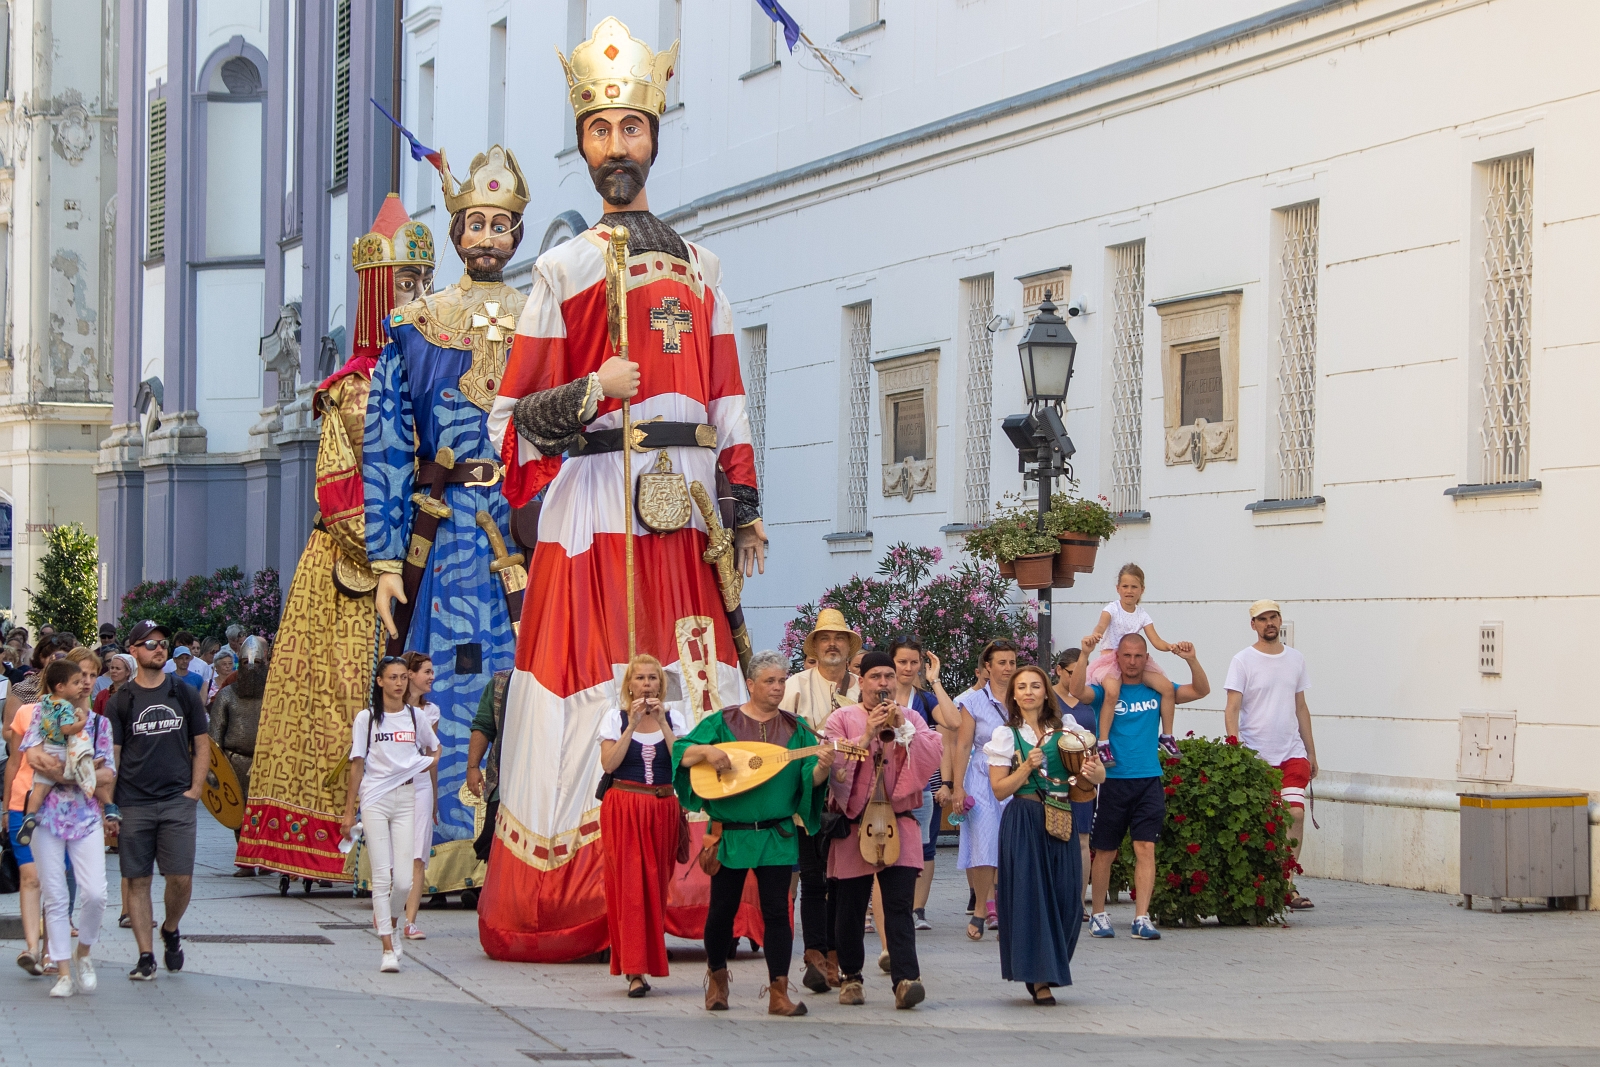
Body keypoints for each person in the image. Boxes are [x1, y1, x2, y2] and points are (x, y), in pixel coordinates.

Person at [481, 16, 768, 962]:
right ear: (582, 139)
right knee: (587, 686)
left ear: (654, 135)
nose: (617, 147)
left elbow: (728, 396)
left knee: (695, 678)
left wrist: (745, 499)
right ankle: (588, 890)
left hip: (681, 509)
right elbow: (510, 415)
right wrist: (588, 392)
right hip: (599, 501)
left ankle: (695, 889)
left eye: (632, 129)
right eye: (601, 131)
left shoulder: (704, 267)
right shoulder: (560, 270)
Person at [238, 198, 435, 880]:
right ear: (381, 292)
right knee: (342, 708)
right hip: (359, 567)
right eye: (406, 283)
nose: (421, 295)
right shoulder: (353, 388)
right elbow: (338, 487)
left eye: (424, 281)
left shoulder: (439, 375)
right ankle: (330, 842)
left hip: (438, 553)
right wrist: (398, 546)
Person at [365, 154, 528, 907]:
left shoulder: (545, 318)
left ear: (517, 232)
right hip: (451, 530)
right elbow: (390, 445)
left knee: (535, 675)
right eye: (476, 223)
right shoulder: (414, 325)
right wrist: (386, 557)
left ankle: (527, 843)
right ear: (457, 232)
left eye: (501, 224)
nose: (488, 235)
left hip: (528, 527)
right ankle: (445, 852)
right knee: (452, 681)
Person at [675, 651, 828, 1016]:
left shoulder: (797, 729)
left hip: (776, 836)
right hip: (731, 835)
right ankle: (716, 979)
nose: (777, 688)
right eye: (770, 681)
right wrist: (707, 752)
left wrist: (823, 767)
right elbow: (680, 752)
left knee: (777, 912)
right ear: (751, 684)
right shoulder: (723, 722)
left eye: (781, 681)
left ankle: (778, 991)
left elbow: (809, 780)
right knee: (722, 911)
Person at [822, 651, 943, 1010]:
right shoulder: (842, 718)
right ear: (861, 682)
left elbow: (931, 752)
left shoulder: (913, 718)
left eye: (889, 676)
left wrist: (904, 731)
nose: (884, 683)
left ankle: (906, 979)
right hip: (856, 823)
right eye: (875, 676)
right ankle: (851, 977)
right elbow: (834, 764)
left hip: (899, 823)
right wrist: (868, 733)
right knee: (850, 905)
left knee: (899, 905)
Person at [1072, 633, 1210, 941]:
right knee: (1105, 851)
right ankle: (1098, 915)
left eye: (1139, 656)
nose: (1133, 662)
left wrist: (1191, 659)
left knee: (1145, 848)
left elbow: (1201, 690)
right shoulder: (1108, 689)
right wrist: (1084, 655)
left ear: (1146, 658)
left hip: (1149, 779)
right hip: (1113, 782)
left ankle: (1141, 917)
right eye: (1127, 656)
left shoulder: (1158, 688)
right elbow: (1077, 691)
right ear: (1117, 658)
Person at [988, 664, 1107, 1005]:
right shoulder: (1006, 735)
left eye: (1035, 686)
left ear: (1046, 691)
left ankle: (1050, 962)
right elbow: (999, 790)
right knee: (1032, 899)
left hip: (1061, 815)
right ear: (1013, 694)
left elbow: (1095, 778)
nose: (1028, 691)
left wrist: (1095, 771)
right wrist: (1025, 766)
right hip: (1024, 819)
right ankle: (1039, 976)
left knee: (1069, 898)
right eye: (1021, 686)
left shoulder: (1067, 730)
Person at [103, 619, 210, 979]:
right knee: (137, 880)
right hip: (134, 801)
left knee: (180, 877)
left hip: (177, 798)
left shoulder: (183, 693)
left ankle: (170, 928)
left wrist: (195, 790)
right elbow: (112, 756)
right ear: (133, 651)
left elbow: (202, 744)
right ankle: (145, 955)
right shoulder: (121, 701)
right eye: (150, 644)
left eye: (162, 643)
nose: (158, 648)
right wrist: (110, 804)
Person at [19, 659, 115, 997]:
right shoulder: (42, 715)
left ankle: (83, 953)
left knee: (95, 894)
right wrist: (78, 772)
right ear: (62, 685)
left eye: (91, 676)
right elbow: (33, 758)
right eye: (81, 677)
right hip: (47, 817)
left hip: (86, 816)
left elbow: (107, 775)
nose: (87, 683)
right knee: (56, 896)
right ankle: (62, 971)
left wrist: (63, 772)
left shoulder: (100, 724)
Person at [341, 657, 440, 973]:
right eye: (392, 678)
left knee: (403, 881)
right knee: (383, 875)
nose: (398, 683)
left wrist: (424, 763)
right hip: (375, 798)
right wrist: (347, 813)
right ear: (380, 681)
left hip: (407, 797)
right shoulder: (367, 719)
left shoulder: (416, 717)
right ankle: (387, 947)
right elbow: (357, 764)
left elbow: (434, 748)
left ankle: (393, 923)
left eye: (402, 677)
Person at [779, 608, 860, 992]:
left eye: (839, 639)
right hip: (809, 789)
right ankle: (815, 954)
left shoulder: (862, 687)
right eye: (825, 639)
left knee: (844, 881)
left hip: (853, 796)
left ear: (848, 647)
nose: (832, 644)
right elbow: (780, 734)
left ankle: (837, 955)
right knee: (813, 878)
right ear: (815, 645)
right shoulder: (795, 683)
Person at [599, 653, 689, 997]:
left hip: (663, 807)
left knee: (654, 885)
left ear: (661, 684)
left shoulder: (675, 718)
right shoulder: (616, 719)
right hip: (625, 806)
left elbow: (680, 761)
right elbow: (609, 765)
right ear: (629, 685)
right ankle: (634, 970)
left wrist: (664, 723)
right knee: (629, 887)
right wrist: (633, 724)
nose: (647, 684)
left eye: (653, 678)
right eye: (640, 678)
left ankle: (645, 961)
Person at [1224, 599, 1318, 910]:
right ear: (1253, 624)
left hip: (1292, 752)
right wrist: (1235, 748)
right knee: (1266, 822)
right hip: (1256, 755)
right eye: (1262, 619)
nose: (1269, 623)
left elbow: (1301, 707)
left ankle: (1287, 885)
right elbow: (1232, 709)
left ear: (1280, 619)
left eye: (1273, 617)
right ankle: (1262, 883)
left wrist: (1311, 752)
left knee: (1295, 814)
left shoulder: (1295, 659)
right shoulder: (1242, 661)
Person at [1083, 564, 1191, 765]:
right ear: (1118, 589)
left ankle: (1167, 736)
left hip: (1134, 658)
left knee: (1167, 687)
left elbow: (1156, 641)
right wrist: (1096, 634)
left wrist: (1172, 647)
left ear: (1142, 589)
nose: (1129, 591)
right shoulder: (1111, 609)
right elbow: (1101, 624)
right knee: (1112, 692)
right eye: (1125, 586)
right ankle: (1103, 742)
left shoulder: (1142, 614)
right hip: (1111, 660)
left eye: (1134, 587)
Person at [886, 636, 957, 932]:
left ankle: (917, 909)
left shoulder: (925, 699)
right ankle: (887, 907)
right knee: (885, 846)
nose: (908, 667)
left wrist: (935, 681)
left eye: (914, 662)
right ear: (892, 662)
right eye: (902, 661)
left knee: (924, 849)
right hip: (885, 787)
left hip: (921, 787)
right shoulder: (879, 697)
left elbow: (953, 722)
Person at [952, 639, 1019, 939]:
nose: (1007, 668)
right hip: (980, 772)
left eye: (1012, 662)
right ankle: (981, 906)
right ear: (987, 668)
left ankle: (1007, 907)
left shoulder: (1024, 696)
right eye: (1001, 662)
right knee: (983, 839)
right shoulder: (974, 701)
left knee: (1013, 841)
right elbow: (963, 744)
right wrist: (956, 787)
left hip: (1016, 772)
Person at [209, 637, 268, 877]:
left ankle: (265, 859)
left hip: (267, 761)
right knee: (239, 812)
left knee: (266, 811)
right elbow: (214, 738)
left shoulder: (276, 696)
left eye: (257, 662)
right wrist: (214, 770)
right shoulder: (226, 696)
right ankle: (245, 860)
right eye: (246, 662)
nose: (252, 667)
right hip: (235, 760)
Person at [1051, 648, 1097, 915]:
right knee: (1055, 834)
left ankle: (1079, 902)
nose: (1079, 676)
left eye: (1084, 671)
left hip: (1084, 776)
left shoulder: (1089, 699)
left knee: (1082, 838)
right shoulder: (1049, 698)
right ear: (1059, 670)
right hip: (1055, 775)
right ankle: (1056, 899)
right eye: (1073, 672)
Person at [400, 651, 442, 938]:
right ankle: (390, 909)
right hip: (393, 785)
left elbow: (432, 754)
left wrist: (435, 798)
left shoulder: (431, 712)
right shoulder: (389, 711)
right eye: (426, 671)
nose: (431, 677)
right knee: (396, 854)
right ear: (410, 675)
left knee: (418, 855)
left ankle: (410, 921)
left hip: (421, 785)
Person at [465, 668, 511, 863]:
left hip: (551, 782)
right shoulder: (502, 682)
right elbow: (484, 725)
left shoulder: (565, 678)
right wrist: (473, 767)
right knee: (495, 835)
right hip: (505, 777)